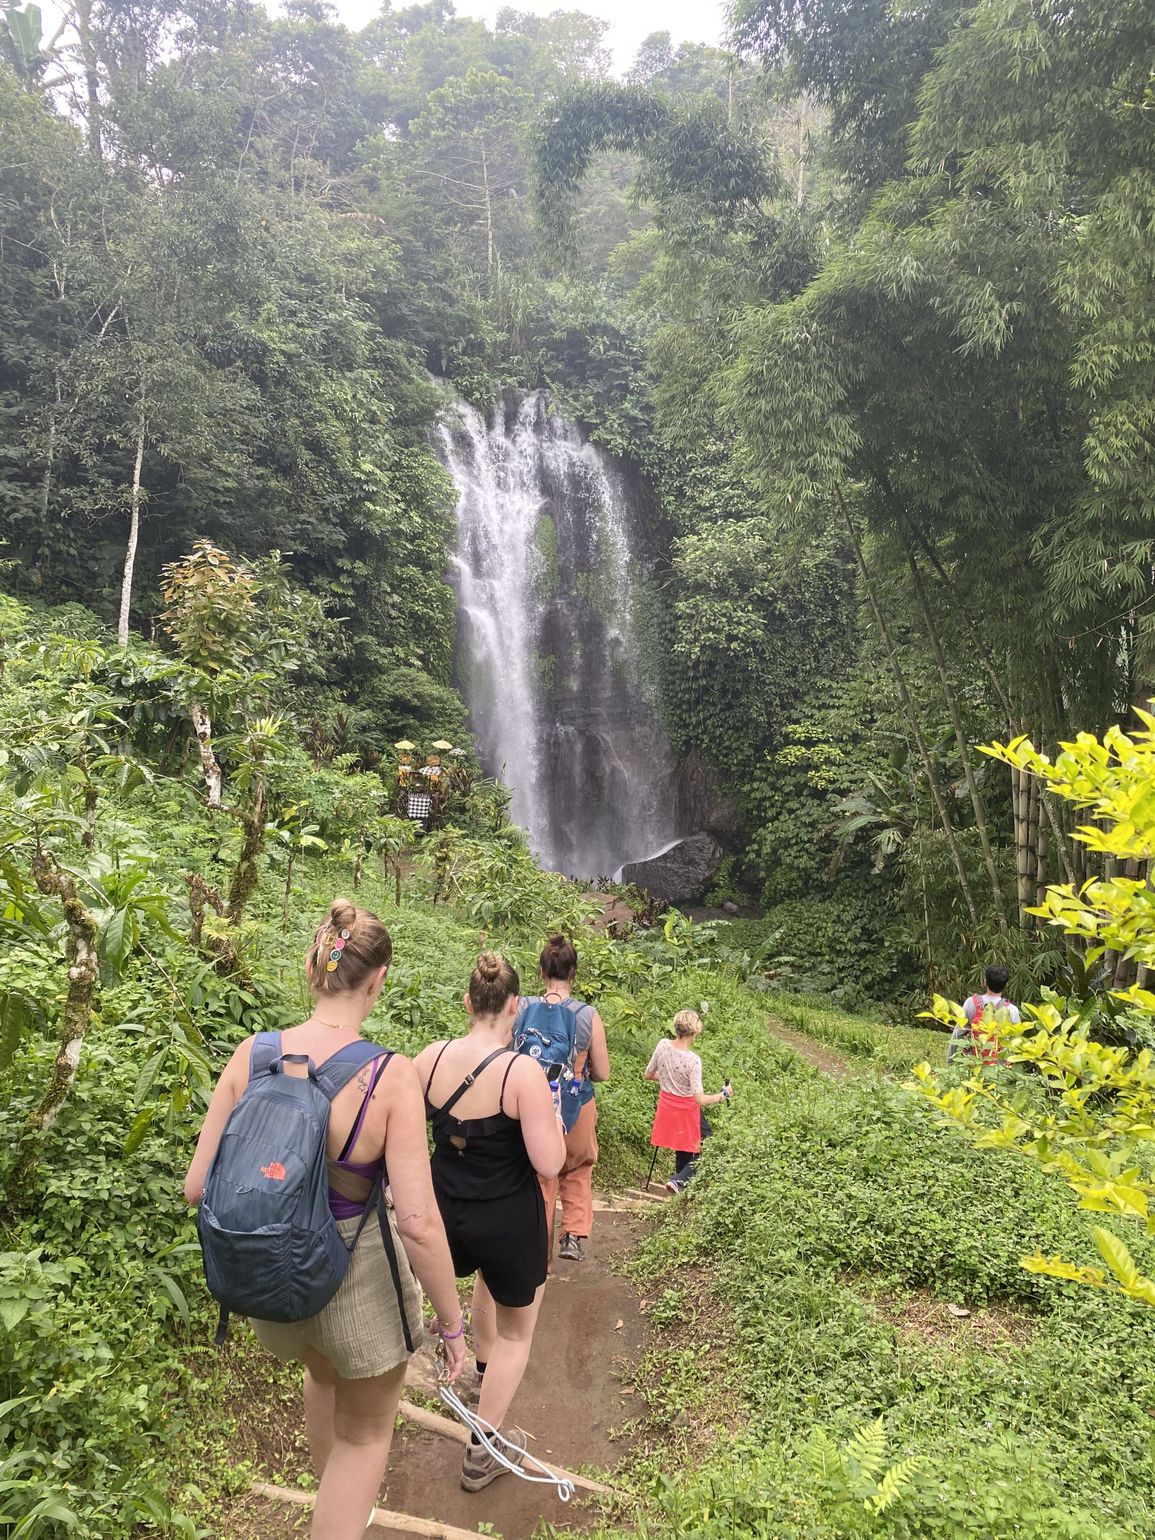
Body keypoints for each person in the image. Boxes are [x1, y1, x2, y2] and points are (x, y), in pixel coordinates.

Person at [184, 899, 467, 1540]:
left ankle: (332, 1503)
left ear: (314, 970)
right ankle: (339, 1514)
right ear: (379, 980)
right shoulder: (389, 1075)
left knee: (321, 1375)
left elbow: (196, 1188)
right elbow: (418, 1223)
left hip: (273, 1288)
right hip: (355, 1285)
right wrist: (451, 1327)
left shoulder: (252, 1054)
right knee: (366, 1438)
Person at [414, 953, 566, 1491]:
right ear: (514, 1007)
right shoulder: (521, 1073)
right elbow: (549, 1164)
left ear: (467, 1003)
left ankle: (481, 1378)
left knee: (483, 1294)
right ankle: (485, 1448)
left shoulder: (428, 1060)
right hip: (508, 1222)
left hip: (443, 1218)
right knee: (517, 1332)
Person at [515, 933, 610, 1263]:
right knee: (578, 1168)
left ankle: (538, 1254)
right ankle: (573, 1235)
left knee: (540, 1178)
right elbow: (603, 1073)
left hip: (530, 1107)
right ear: (574, 972)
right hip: (575, 1105)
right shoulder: (587, 1015)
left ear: (541, 971)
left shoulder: (523, 1006)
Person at [645, 1009, 732, 1193]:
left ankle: (678, 1185)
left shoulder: (663, 1045)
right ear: (694, 1032)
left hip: (667, 1106)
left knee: (683, 1145)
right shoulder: (693, 1060)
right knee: (708, 1147)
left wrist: (669, 1077)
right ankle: (679, 1181)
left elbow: (649, 1074)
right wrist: (722, 1095)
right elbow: (699, 1099)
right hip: (686, 1110)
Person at [947, 964, 1021, 1063]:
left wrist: (950, 1059)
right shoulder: (1012, 1010)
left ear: (984, 982)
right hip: (999, 1066)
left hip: (973, 1062)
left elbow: (958, 1033)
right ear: (1006, 985)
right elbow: (1016, 1042)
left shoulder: (971, 1002)